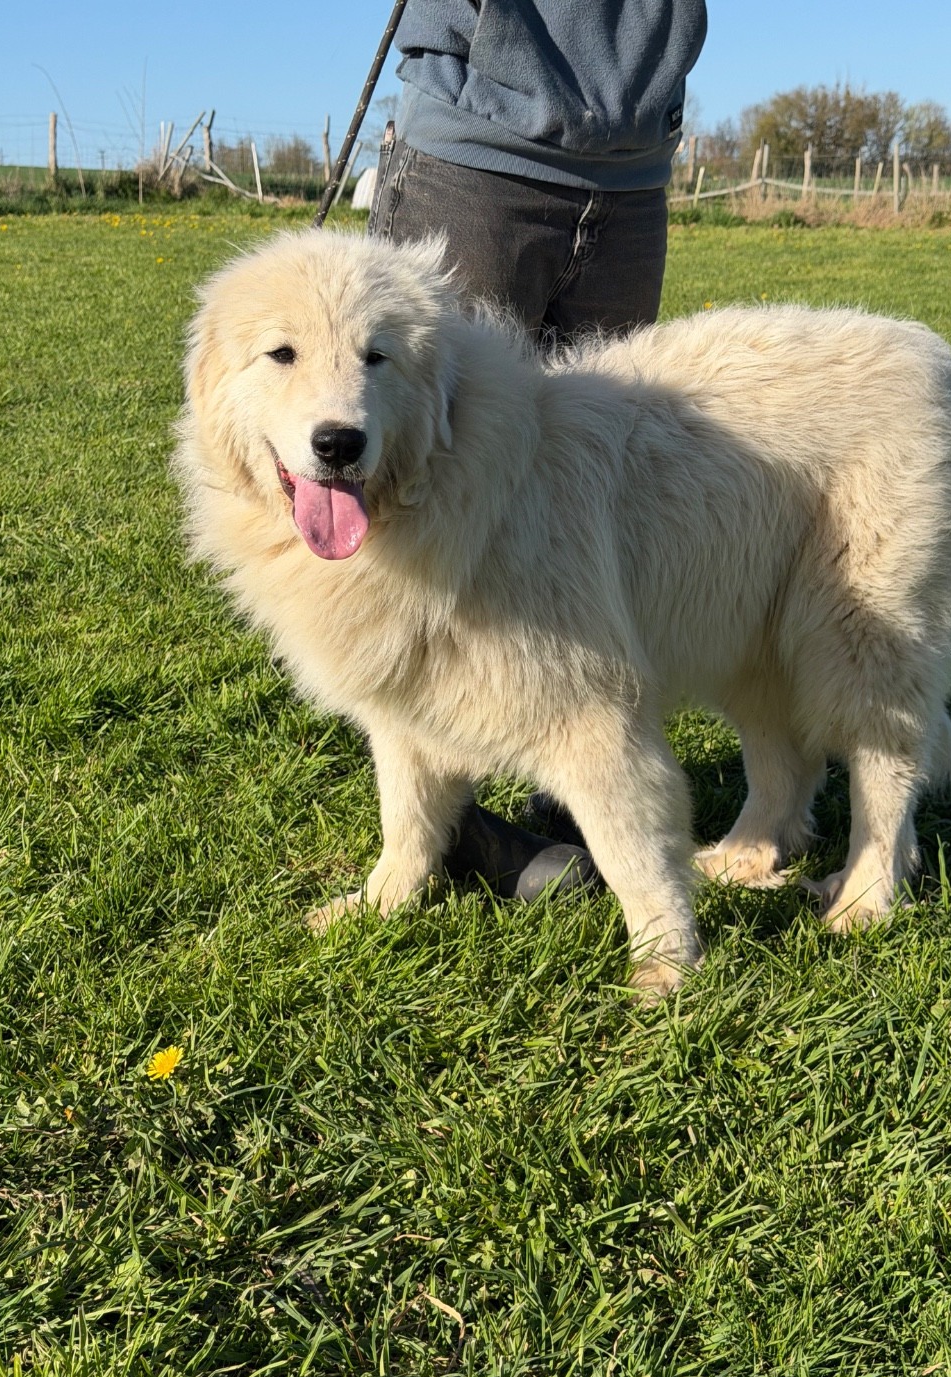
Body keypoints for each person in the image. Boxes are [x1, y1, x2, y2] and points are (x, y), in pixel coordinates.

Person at [368, 0, 708, 901]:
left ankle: (576, 786)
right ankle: (442, 840)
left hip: (631, 167)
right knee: (414, 496)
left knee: (586, 512)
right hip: (475, 154)